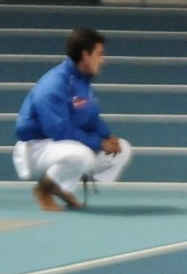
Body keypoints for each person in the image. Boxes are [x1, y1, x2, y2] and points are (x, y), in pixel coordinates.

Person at [13, 28, 132, 211]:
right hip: (37, 147)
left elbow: (92, 118)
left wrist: (107, 137)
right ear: (85, 55)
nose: (102, 60)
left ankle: (62, 186)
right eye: (99, 54)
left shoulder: (82, 80)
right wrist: (98, 142)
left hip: (62, 145)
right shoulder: (54, 84)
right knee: (81, 155)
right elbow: (58, 130)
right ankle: (43, 189)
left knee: (122, 149)